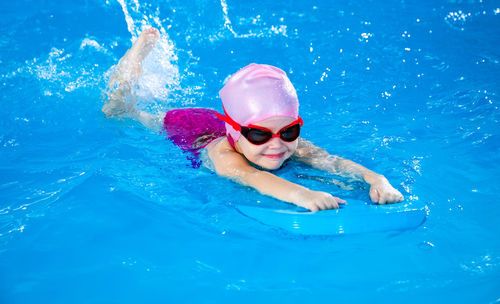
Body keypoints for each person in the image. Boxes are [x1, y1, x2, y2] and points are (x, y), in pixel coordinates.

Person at [102, 28, 404, 212]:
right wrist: (302, 194)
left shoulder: (286, 141)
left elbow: (335, 163)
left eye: (289, 131)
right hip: (189, 126)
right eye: (259, 135)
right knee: (120, 112)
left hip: (230, 118)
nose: (276, 144)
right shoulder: (222, 155)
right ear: (234, 134)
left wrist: (377, 180)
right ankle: (137, 58)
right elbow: (251, 176)